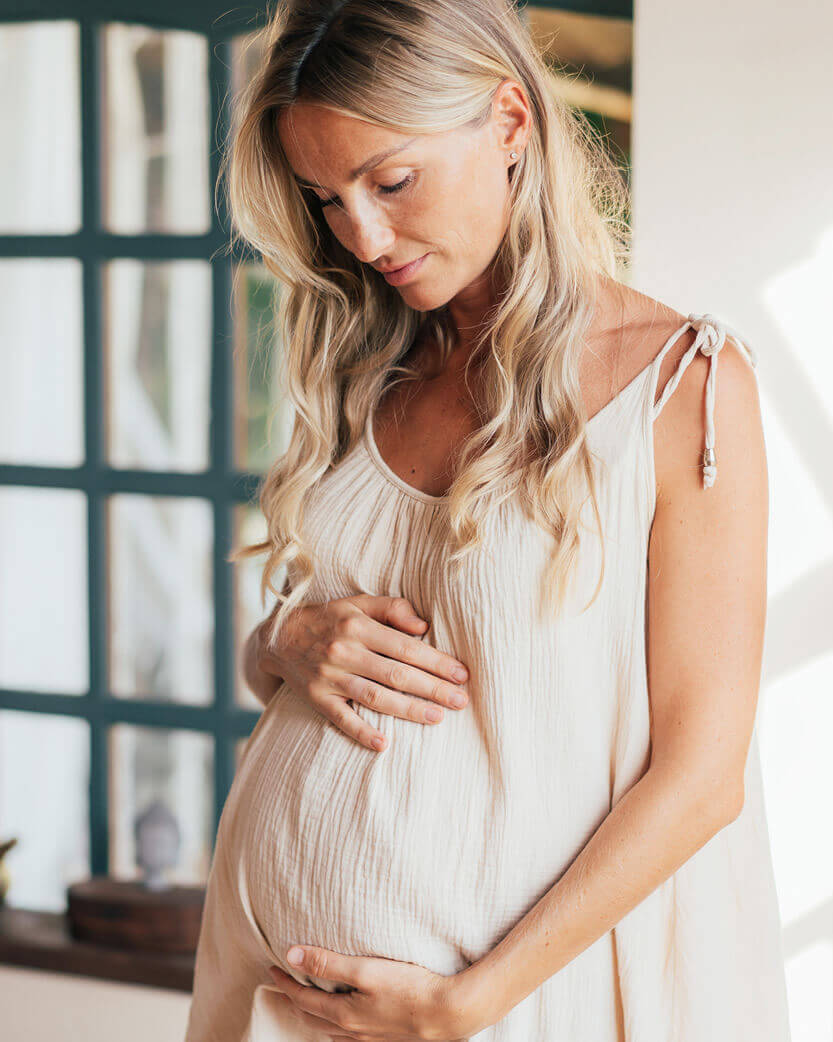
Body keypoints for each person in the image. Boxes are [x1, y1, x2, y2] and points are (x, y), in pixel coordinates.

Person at [184, 1, 792, 1039]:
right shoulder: (366, 368)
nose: (361, 236)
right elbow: (297, 675)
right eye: (325, 198)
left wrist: (465, 1003)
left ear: (509, 120)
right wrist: (285, 639)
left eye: (390, 180)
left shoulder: (680, 388)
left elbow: (700, 778)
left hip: (501, 1009)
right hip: (269, 1000)